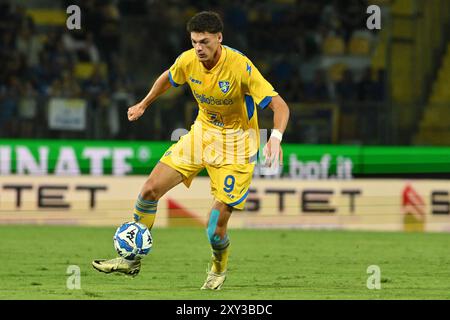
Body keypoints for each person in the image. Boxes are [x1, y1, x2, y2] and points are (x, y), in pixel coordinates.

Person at [92, 11, 290, 290]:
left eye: (205, 42)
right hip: (201, 135)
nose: (199, 48)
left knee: (214, 229)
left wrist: (275, 138)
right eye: (195, 41)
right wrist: (144, 104)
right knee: (149, 190)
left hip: (237, 147)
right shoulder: (188, 60)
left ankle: (218, 268)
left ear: (219, 38)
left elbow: (280, 106)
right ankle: (131, 259)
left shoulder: (240, 67)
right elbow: (168, 77)